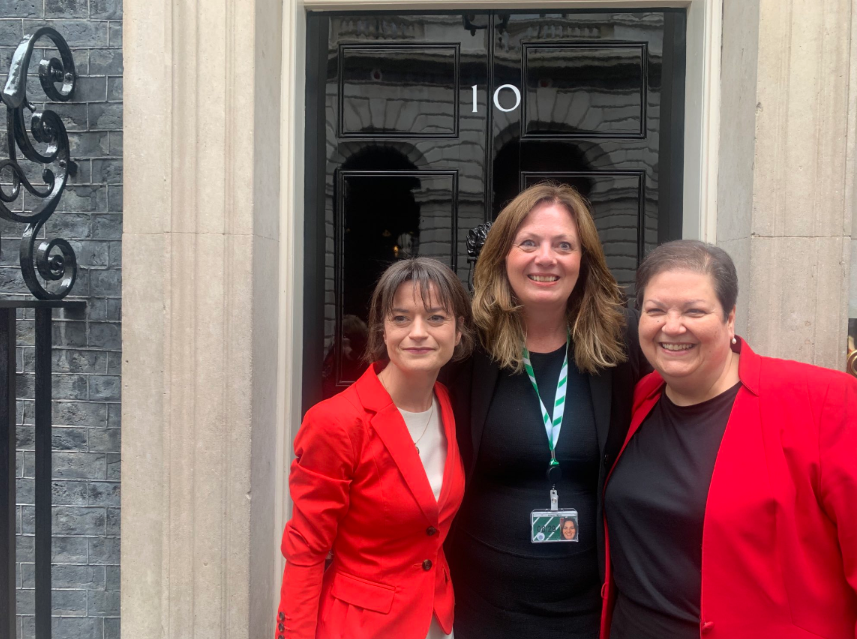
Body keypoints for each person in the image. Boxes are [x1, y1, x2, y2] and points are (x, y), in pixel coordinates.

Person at [602, 240, 857, 639]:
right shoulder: (640, 397)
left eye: (694, 311)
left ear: (730, 316)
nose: (671, 326)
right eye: (655, 310)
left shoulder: (822, 402)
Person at [446, 182, 647, 639]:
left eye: (564, 245)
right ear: (503, 256)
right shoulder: (466, 343)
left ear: (584, 260)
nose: (546, 258)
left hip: (588, 606)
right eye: (529, 243)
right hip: (481, 603)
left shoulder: (623, 342)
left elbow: (694, 377)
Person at [276, 258, 474, 639]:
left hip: (438, 622)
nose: (419, 332)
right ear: (382, 328)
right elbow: (306, 552)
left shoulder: (447, 403)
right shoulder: (335, 422)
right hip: (362, 627)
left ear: (458, 329)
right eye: (401, 318)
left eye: (435, 318)